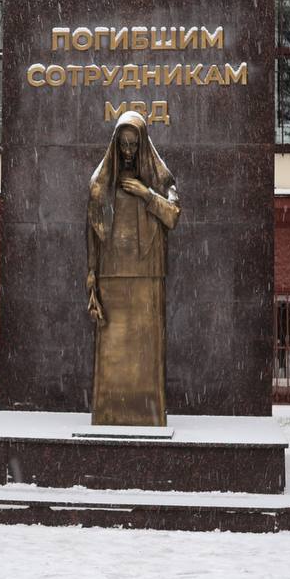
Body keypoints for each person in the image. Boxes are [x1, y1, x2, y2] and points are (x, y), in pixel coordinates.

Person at [86, 111, 180, 426]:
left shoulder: (160, 176)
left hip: (149, 271)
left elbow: (173, 215)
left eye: (133, 145)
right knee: (113, 348)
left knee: (146, 351)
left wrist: (144, 192)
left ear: (142, 145)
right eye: (123, 145)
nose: (128, 151)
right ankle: (110, 413)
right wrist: (91, 272)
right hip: (111, 271)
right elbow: (92, 229)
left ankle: (147, 413)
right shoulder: (101, 181)